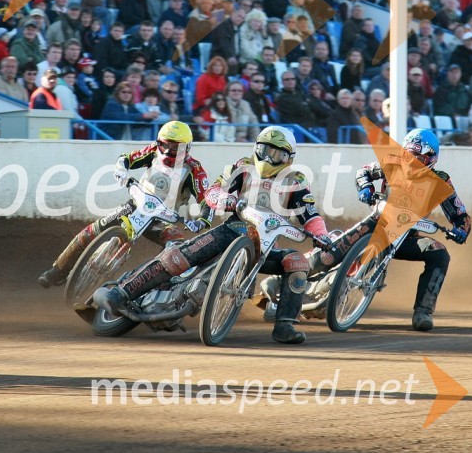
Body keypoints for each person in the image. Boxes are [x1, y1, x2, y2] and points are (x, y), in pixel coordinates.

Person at [94, 126, 334, 344]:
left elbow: (310, 214)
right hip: (233, 229)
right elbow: (213, 190)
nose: (268, 158)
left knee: (297, 262)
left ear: (289, 157)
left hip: (266, 247)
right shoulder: (242, 166)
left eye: (276, 154)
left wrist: (321, 235)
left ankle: (285, 326)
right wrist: (225, 199)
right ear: (256, 148)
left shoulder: (296, 180)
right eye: (264, 150)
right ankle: (122, 293)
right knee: (179, 257)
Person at [38, 121, 212, 288]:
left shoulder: (194, 170)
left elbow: (207, 200)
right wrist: (122, 171)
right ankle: (58, 271)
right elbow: (126, 158)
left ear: (186, 148)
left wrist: (202, 221)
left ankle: (158, 291)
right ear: (158, 142)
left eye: (174, 147)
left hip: (164, 219)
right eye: (164, 144)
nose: (167, 151)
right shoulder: (153, 151)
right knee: (90, 232)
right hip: (135, 206)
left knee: (175, 250)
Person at [355, 129, 471, 331]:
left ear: (431, 159)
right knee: (335, 248)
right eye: (409, 155)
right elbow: (363, 172)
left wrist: (461, 230)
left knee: (440, 254)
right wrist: (366, 188)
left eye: (419, 157)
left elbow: (460, 214)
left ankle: (423, 312)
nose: (412, 161)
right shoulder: (391, 163)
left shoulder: (440, 180)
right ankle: (317, 282)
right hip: (375, 227)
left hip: (407, 238)